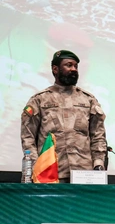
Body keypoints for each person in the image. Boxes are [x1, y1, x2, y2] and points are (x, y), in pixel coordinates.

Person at [20, 50, 107, 182]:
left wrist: (99, 163)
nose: (74, 69)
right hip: (51, 174)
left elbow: (98, 136)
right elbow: (28, 137)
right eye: (69, 65)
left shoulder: (88, 100)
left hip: (84, 175)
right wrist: (36, 167)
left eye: (76, 66)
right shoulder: (39, 100)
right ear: (55, 69)